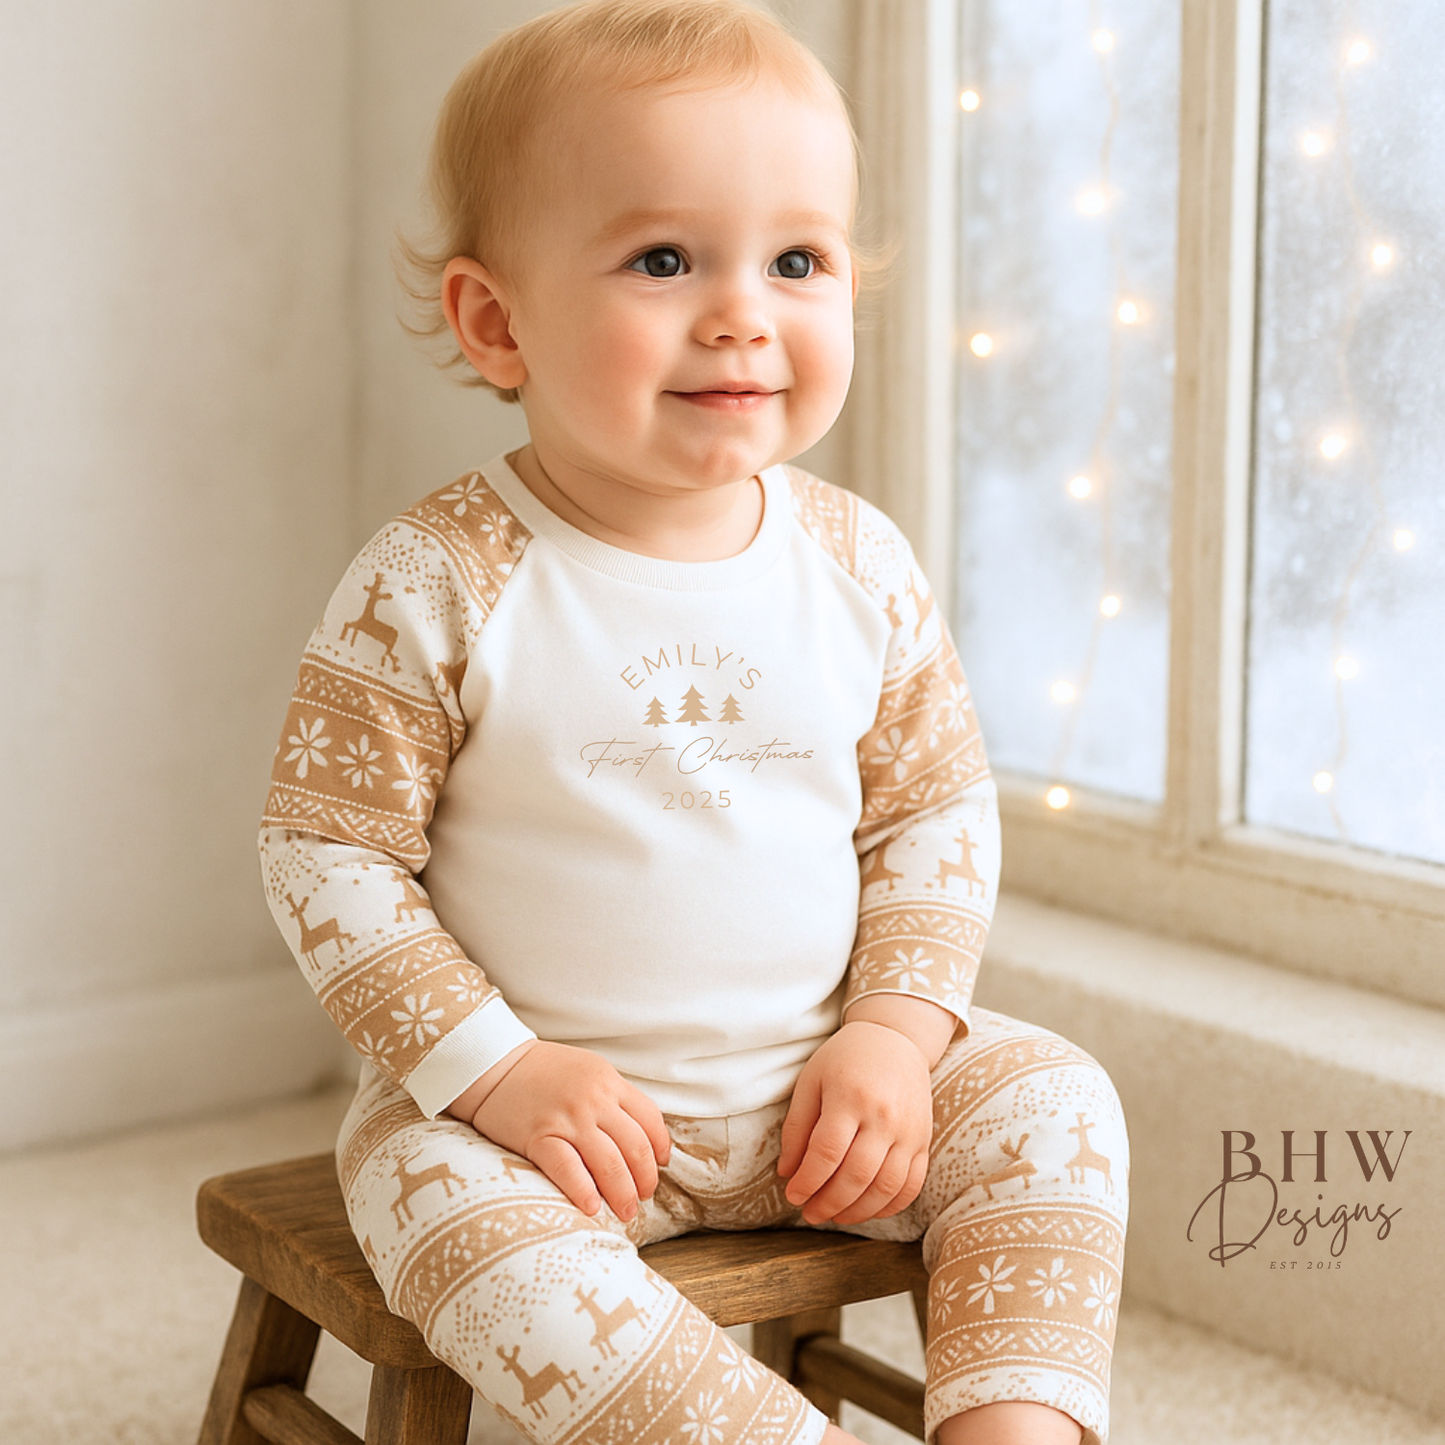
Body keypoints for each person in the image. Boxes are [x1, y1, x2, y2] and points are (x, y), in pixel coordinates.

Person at [258, 3, 1127, 1442]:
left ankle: (1012, 1427)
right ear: (498, 320)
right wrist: (500, 1073)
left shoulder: (859, 567)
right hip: (532, 1135)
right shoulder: (438, 580)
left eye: (798, 261)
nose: (744, 312)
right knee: (450, 1230)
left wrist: (900, 1038)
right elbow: (326, 856)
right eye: (664, 260)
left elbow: (932, 816)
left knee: (1053, 1100)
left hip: (823, 1102)